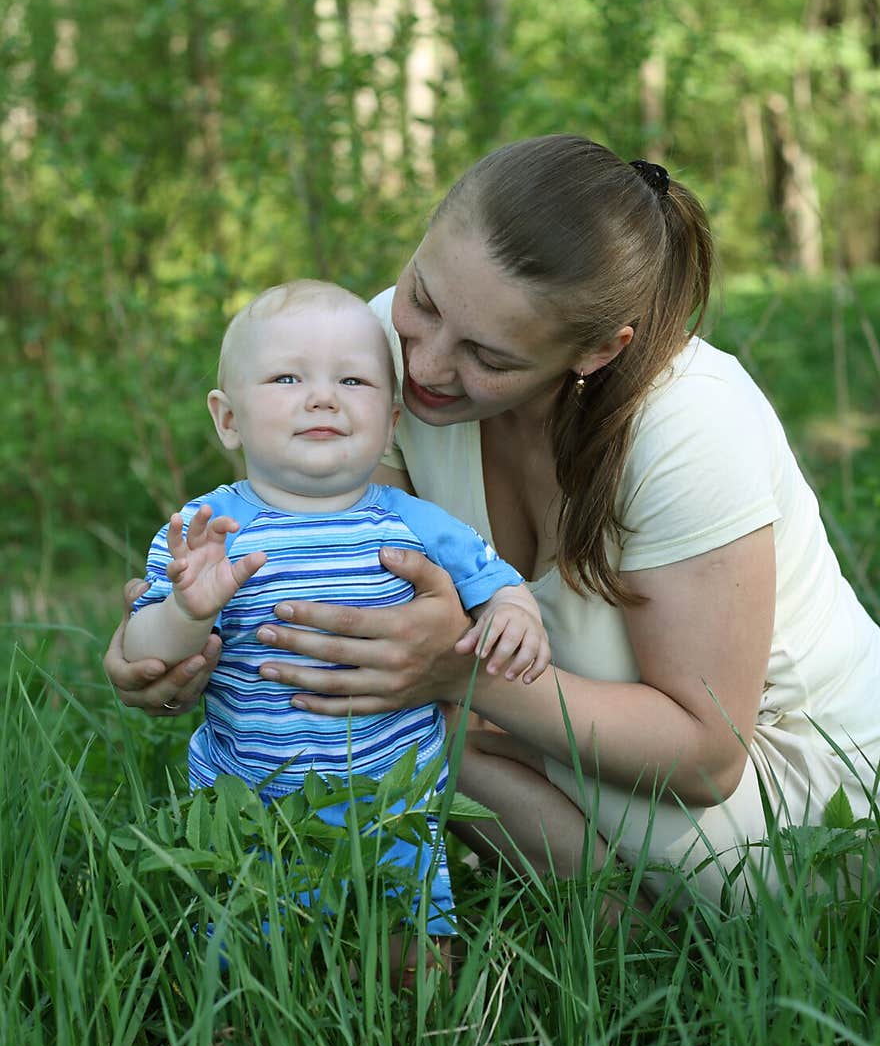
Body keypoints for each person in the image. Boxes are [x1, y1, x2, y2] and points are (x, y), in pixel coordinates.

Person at [105, 134, 880, 922]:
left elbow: (707, 758)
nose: (428, 366)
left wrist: (457, 676)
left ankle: (664, 950)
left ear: (595, 352)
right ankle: (621, 940)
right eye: (425, 298)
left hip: (796, 790)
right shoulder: (378, 352)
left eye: (488, 356)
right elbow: (338, 578)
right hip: (573, 746)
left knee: (414, 713)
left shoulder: (690, 424)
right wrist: (174, 634)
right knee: (385, 702)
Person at [121, 278, 550, 976]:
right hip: (252, 809)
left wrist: (512, 612)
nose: (322, 396)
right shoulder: (206, 534)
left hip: (393, 805)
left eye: (353, 380)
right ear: (228, 419)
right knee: (250, 965)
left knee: (413, 953)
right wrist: (185, 610)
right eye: (287, 377)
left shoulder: (410, 520)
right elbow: (145, 658)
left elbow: (493, 578)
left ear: (390, 422)